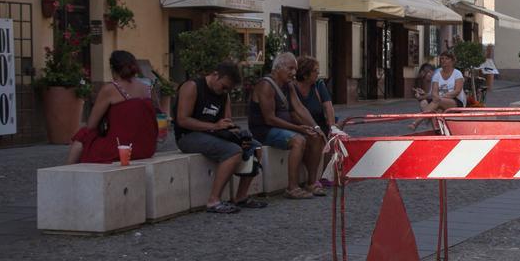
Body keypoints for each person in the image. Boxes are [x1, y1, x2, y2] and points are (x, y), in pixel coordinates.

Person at [174, 61, 267, 214]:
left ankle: (241, 197)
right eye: (224, 86)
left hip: (212, 134)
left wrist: (238, 135)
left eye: (228, 89)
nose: (225, 91)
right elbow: (182, 120)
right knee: (233, 152)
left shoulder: (224, 95)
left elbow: (227, 122)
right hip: (188, 136)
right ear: (215, 75)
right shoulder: (192, 86)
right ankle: (213, 201)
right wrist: (214, 126)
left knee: (255, 146)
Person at [249, 52, 326, 199]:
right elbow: (269, 119)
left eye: (295, 69)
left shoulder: (288, 85)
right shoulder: (266, 85)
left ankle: (311, 182)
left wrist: (316, 127)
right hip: (265, 131)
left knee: (315, 137)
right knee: (299, 140)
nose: (294, 73)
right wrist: (298, 128)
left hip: (283, 128)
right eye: (290, 69)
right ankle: (292, 187)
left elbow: (299, 107)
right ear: (278, 68)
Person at [67, 50, 158, 165]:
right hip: (147, 148)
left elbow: (91, 124)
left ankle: (68, 171)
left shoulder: (111, 89)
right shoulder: (148, 88)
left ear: (112, 68)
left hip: (121, 148)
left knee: (83, 134)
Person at [293, 56, 335, 193]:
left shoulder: (318, 85)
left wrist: (332, 126)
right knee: (314, 137)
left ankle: (326, 175)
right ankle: (313, 179)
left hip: (319, 122)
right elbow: (294, 111)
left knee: (333, 135)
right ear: (305, 75)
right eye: (315, 71)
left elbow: (328, 106)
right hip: (301, 125)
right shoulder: (292, 88)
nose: (318, 73)